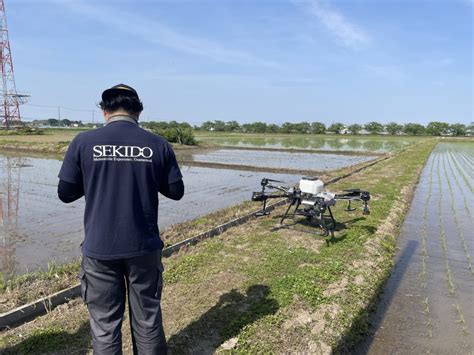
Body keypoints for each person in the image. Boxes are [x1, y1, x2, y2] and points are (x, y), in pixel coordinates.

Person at [58, 84, 184, 354]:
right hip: (144, 248)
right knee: (147, 319)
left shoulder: (83, 142)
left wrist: (96, 178)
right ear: (138, 111)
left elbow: (65, 193)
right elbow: (176, 192)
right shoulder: (157, 144)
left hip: (100, 249)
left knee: (104, 325)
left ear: (104, 111)